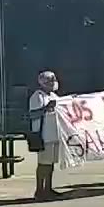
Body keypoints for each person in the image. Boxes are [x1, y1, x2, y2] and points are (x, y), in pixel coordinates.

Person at [28, 71, 62, 199]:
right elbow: (33, 114)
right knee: (43, 164)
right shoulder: (37, 96)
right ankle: (39, 190)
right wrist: (46, 108)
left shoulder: (53, 95)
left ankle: (48, 188)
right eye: (49, 81)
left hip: (54, 134)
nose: (52, 84)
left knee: (50, 164)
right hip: (44, 135)